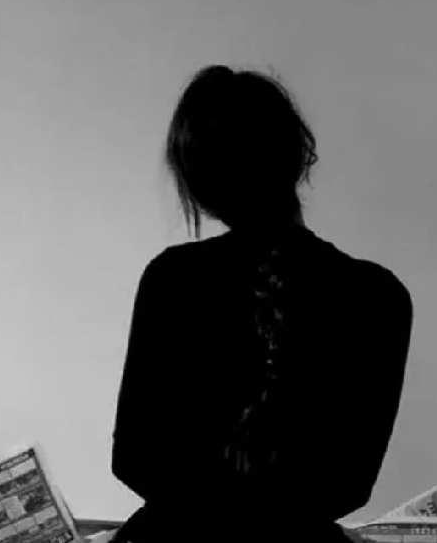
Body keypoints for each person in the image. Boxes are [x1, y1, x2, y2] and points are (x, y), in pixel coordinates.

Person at [111, 65, 413, 542]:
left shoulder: (171, 279)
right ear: (300, 156)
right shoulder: (378, 295)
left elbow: (135, 460)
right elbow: (347, 485)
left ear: (196, 184)